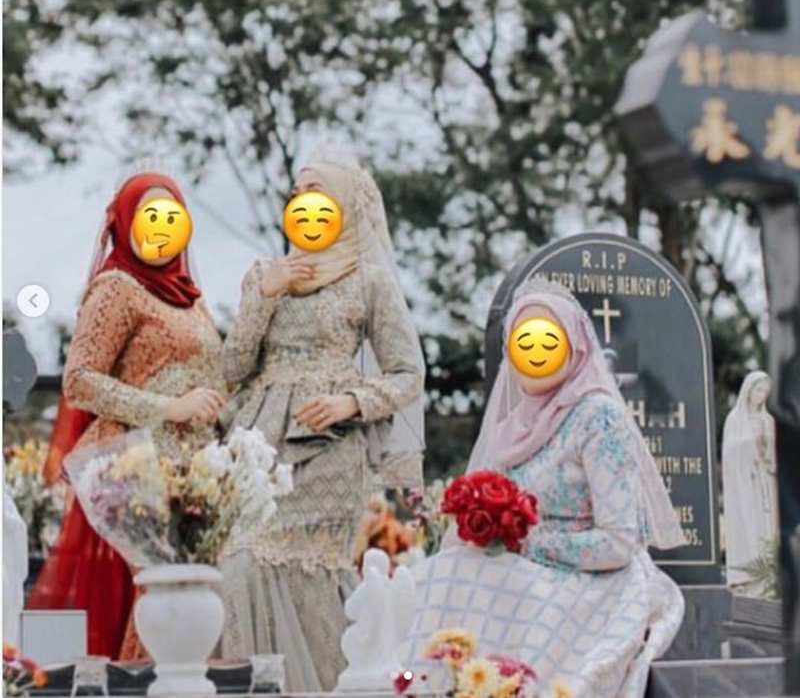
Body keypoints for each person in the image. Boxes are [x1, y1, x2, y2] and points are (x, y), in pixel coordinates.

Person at [404, 277, 686, 698]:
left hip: (592, 581)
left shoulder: (598, 418)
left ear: (574, 346)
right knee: (444, 571)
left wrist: (529, 544)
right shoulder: (515, 425)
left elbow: (619, 542)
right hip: (519, 570)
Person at [219, 147, 425, 691]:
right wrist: (265, 296)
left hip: (330, 446)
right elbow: (232, 368)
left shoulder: (369, 280)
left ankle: (332, 685)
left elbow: (408, 373)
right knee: (238, 562)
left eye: (316, 193)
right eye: (297, 194)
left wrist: (351, 401)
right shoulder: (264, 275)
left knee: (303, 570)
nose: (303, 202)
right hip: (257, 446)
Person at [28, 172, 226, 660]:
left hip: (194, 475)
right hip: (139, 468)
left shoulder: (191, 299)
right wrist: (169, 408)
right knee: (165, 596)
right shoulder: (117, 287)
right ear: (125, 222)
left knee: (195, 599)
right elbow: (79, 380)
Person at [722, 370, 779, 594]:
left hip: (766, 482)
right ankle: (746, 577)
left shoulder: (768, 421)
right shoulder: (735, 420)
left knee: (766, 529)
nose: (761, 395)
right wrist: (749, 450)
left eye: (765, 391)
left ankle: (768, 579)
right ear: (748, 391)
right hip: (745, 485)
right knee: (748, 526)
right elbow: (729, 454)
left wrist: (768, 457)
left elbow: (775, 453)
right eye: (758, 390)